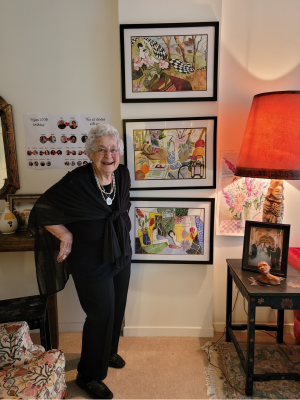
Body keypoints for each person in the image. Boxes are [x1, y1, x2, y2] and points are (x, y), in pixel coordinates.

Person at [28, 124, 131, 400]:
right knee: (101, 314)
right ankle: (88, 375)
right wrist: (66, 234)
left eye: (113, 149)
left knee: (117, 305)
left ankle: (107, 352)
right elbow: (41, 210)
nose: (109, 155)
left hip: (120, 250)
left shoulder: (122, 173)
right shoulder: (77, 181)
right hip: (90, 259)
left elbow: (122, 206)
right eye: (101, 150)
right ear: (89, 153)